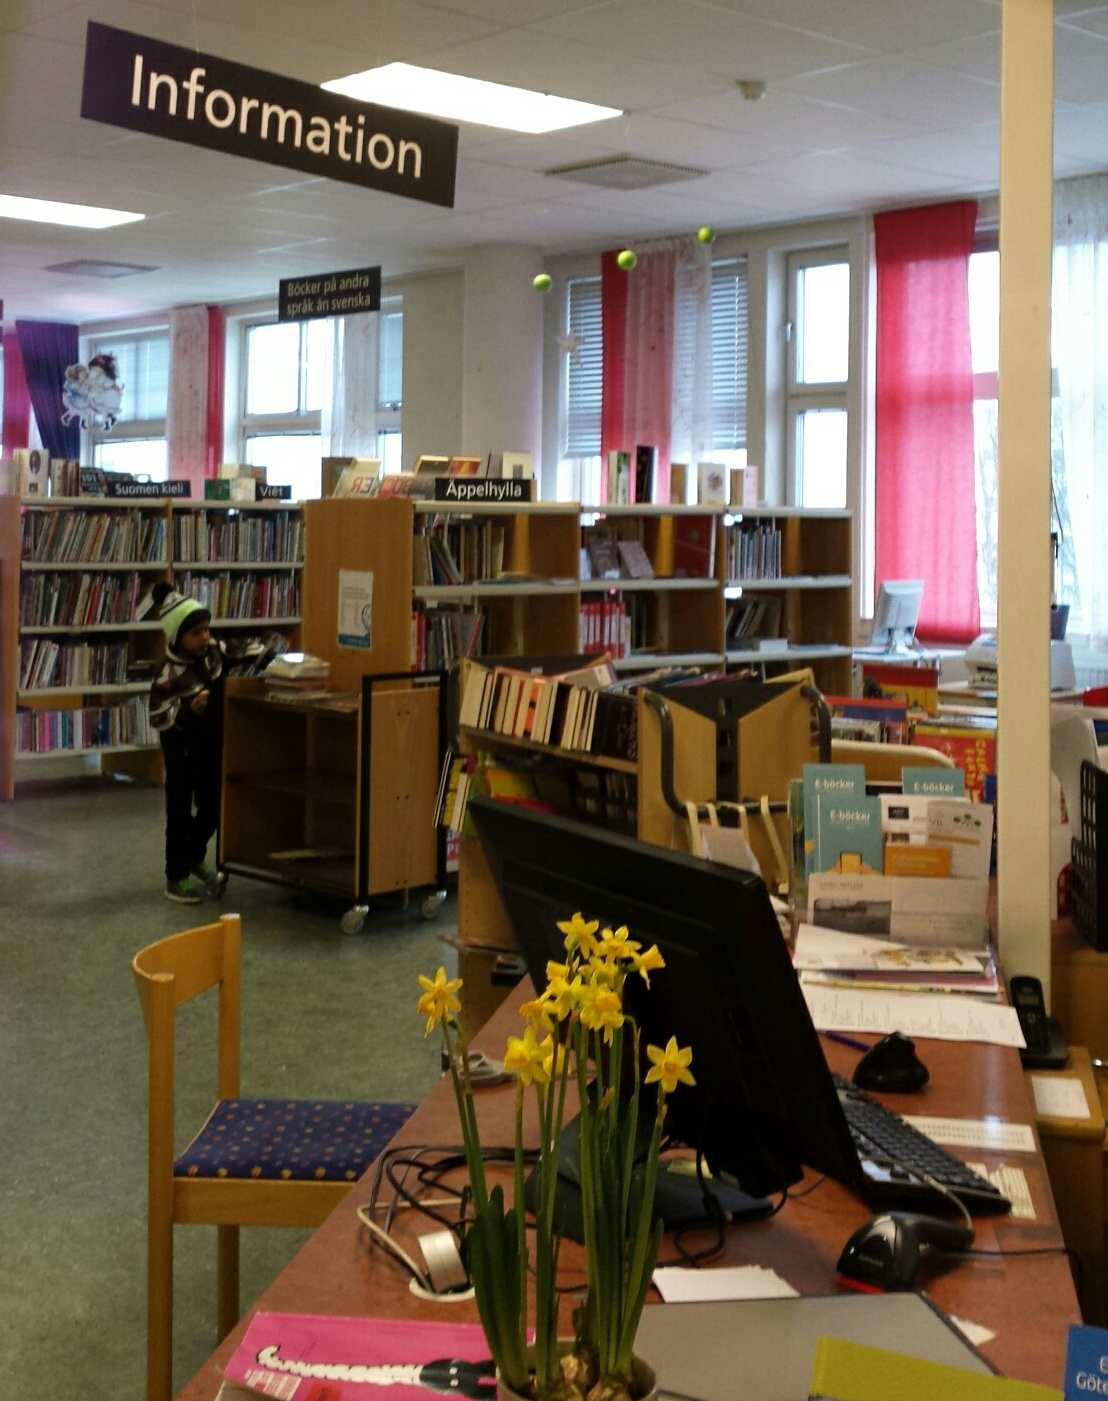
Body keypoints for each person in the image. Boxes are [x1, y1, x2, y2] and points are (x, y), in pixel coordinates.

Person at [149, 581, 229, 904]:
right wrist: (186, 712)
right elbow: (159, 715)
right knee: (179, 813)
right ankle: (176, 876)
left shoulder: (212, 654)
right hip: (180, 752)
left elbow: (240, 650)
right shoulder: (166, 674)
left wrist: (273, 656)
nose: (205, 637)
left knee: (213, 805)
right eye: (195, 633)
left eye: (206, 629)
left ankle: (194, 855)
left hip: (208, 748)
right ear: (177, 636)